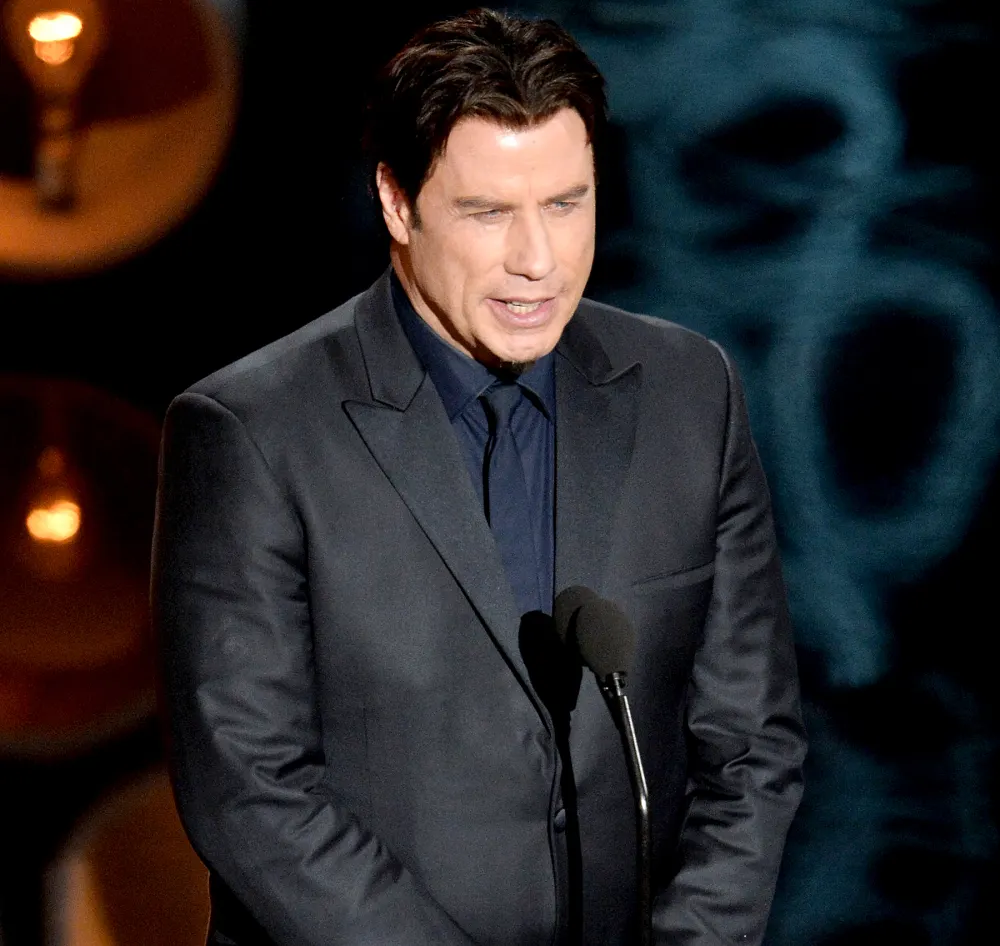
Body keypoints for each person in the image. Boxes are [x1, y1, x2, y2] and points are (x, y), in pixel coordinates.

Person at [152, 8, 807, 946]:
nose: (537, 261)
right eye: (489, 211)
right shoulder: (249, 432)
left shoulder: (690, 391)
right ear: (396, 201)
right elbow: (251, 792)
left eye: (565, 203)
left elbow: (752, 746)